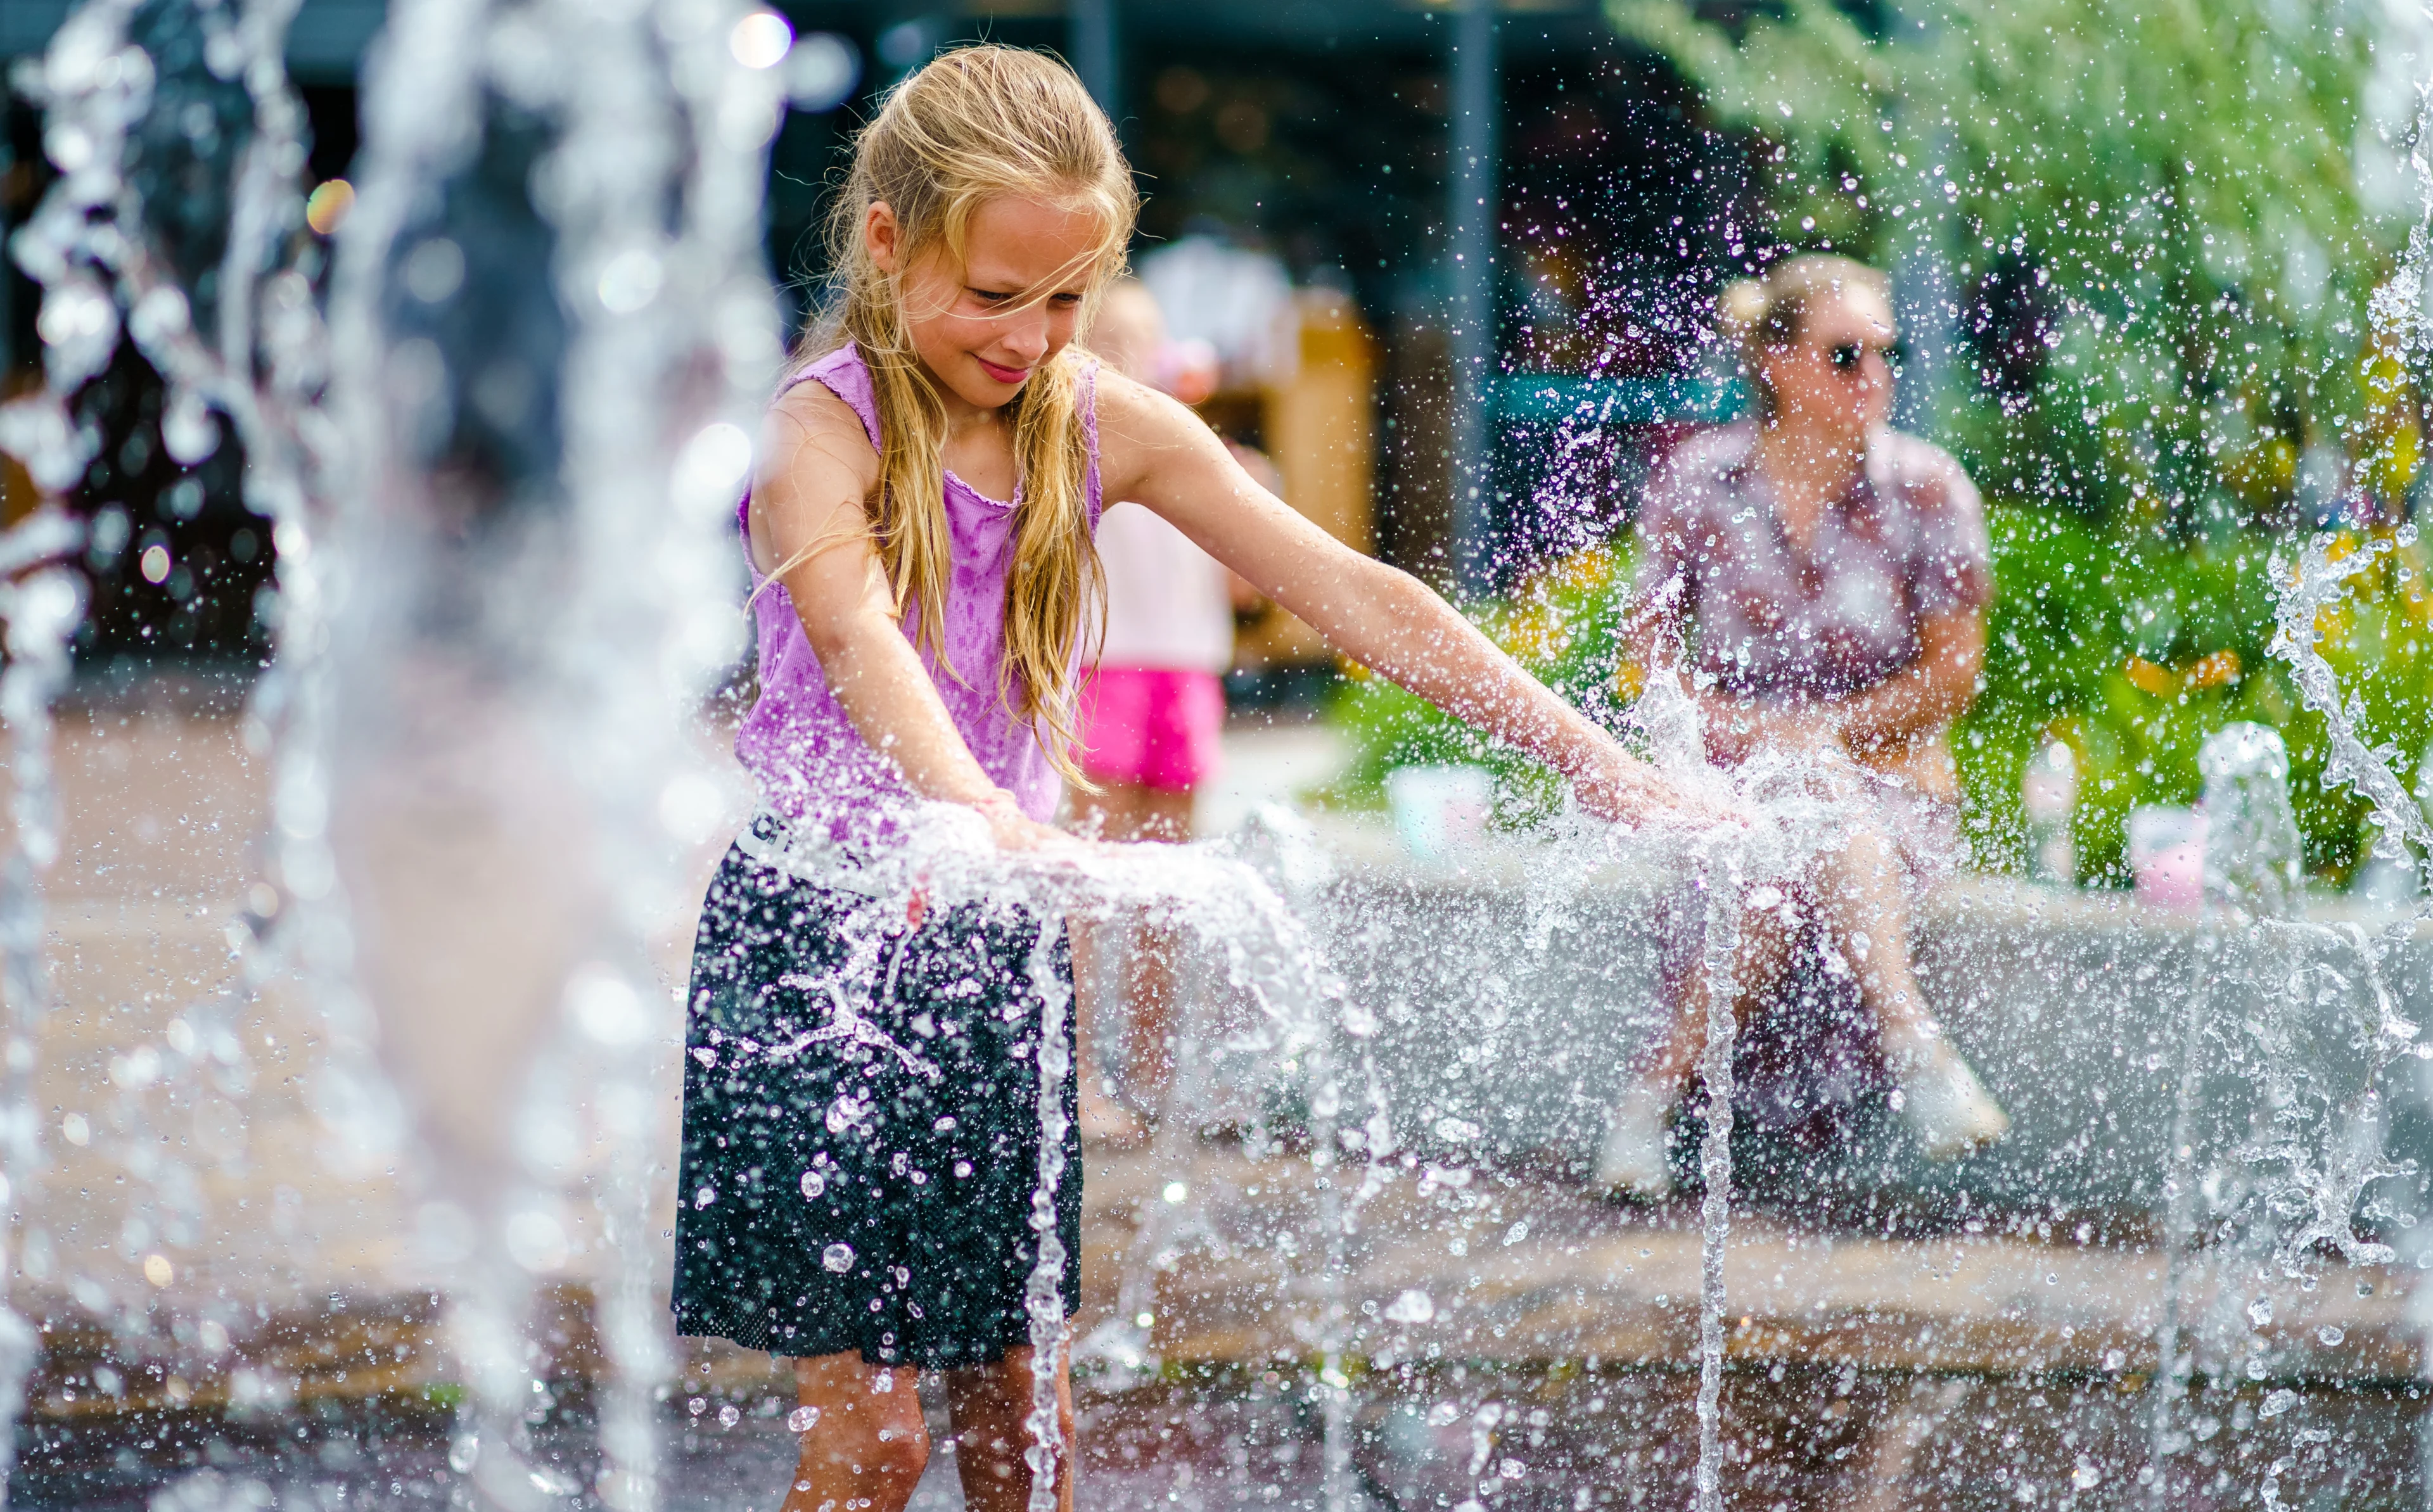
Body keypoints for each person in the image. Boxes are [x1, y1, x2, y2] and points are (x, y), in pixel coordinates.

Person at [672, 46, 1720, 1512]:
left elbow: (1358, 594)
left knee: (1026, 1443)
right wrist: (977, 810)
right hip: (821, 943)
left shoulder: (1097, 421)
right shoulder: (815, 430)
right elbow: (855, 636)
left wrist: (1603, 766)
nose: (1031, 336)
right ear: (887, 240)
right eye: (994, 294)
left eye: (1064, 297)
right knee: (874, 1446)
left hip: (986, 940)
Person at [1597, 255, 2010, 1200]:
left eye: (1886, 352)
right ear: (1777, 362)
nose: (1876, 376)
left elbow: (1954, 674)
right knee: (1778, 850)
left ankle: (1646, 1103)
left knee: (1809, 811)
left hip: (1892, 782)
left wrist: (1821, 735)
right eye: (1846, 353)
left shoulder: (1928, 486)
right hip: (1738, 788)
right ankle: (1919, 1048)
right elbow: (1646, 658)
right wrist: (1737, 732)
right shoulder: (1700, 482)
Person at [1064, 277, 1252, 1147]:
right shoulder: (1069, 440)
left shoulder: (1193, 450)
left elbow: (1246, 586)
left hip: (1186, 668)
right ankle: (1077, 1080)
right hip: (1100, 666)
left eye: (1148, 337)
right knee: (1090, 885)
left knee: (1169, 884)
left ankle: (1156, 1068)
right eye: (1115, 339)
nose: (1136, 355)